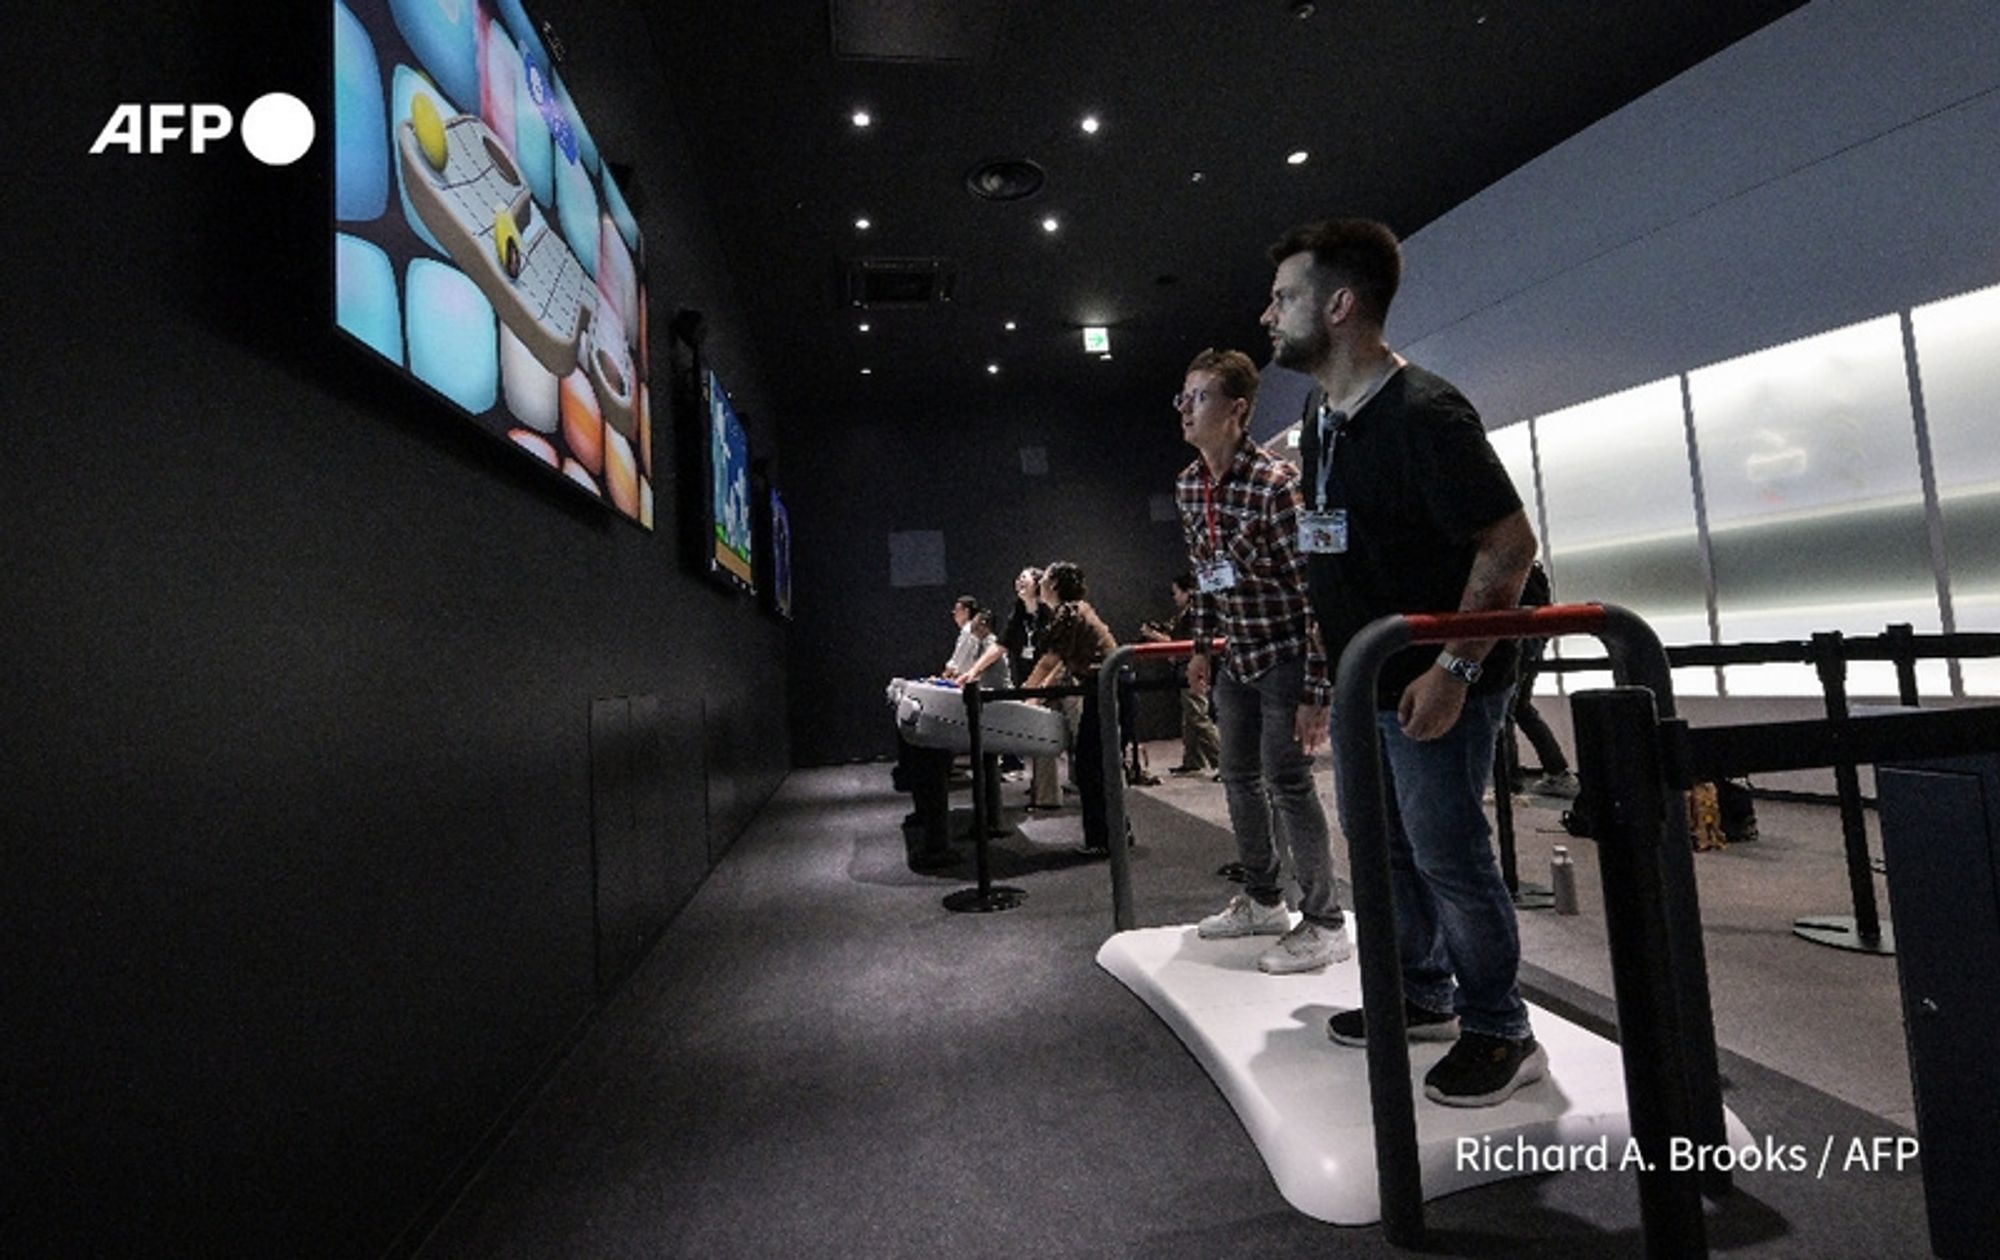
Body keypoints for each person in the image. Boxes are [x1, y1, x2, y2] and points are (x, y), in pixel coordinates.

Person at [1265, 218, 1543, 1106]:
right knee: (1384, 849)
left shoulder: (1427, 412)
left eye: (1284, 298)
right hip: (1363, 686)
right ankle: (1423, 992)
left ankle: (1501, 1027)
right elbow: (1333, 553)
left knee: (1449, 854)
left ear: (1338, 306)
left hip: (1439, 683)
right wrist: (1325, 684)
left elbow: (1509, 547)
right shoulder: (1319, 417)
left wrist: (1456, 671)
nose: (1267, 314)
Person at [1174, 348, 1351, 975]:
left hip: (1284, 654)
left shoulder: (1278, 485)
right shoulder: (1191, 485)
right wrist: (1200, 645)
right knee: (1238, 778)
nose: (1186, 409)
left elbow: (1313, 588)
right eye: (1183, 397)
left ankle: (1325, 920)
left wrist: (1315, 686)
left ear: (1237, 411)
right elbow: (1206, 576)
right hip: (1237, 657)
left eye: (1199, 397)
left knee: (1288, 782)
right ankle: (1263, 898)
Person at [1019, 561, 1120, 855]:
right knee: (1096, 765)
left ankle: (1104, 840)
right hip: (1105, 686)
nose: (1041, 585)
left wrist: (1024, 693)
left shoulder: (1068, 612)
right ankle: (1111, 833)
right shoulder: (1075, 610)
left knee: (1092, 766)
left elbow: (1050, 659)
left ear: (1054, 585)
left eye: (1046, 580)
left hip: (1104, 687)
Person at [1140, 573, 1223, 776]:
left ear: (1188, 592)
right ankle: (1193, 760)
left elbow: (1184, 645)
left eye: (1176, 592)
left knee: (1198, 717)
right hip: (1185, 670)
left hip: (1194, 669)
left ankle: (1225, 761)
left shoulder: (1195, 615)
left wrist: (1154, 636)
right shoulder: (1185, 615)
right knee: (1190, 717)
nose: (1174, 597)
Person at [1509, 561, 1576, 797]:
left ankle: (1510, 783)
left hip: (1516, 641)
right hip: (1532, 641)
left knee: (1507, 711)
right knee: (1520, 708)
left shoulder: (1508, 566)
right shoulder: (1531, 569)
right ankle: (1557, 772)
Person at [1004, 567, 1062, 810]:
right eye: (1017, 578)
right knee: (1040, 737)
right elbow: (1002, 645)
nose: (1018, 581)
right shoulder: (1019, 615)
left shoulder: (1050, 614)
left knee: (1044, 735)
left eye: (1024, 578)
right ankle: (1045, 791)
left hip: (1057, 681)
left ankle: (1047, 797)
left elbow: (1057, 658)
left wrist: (1042, 689)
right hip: (1033, 682)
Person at [940, 595, 983, 679]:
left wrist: (943, 677)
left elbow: (957, 660)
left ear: (966, 612)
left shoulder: (967, 631)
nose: (954, 613)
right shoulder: (976, 629)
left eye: (957, 610)